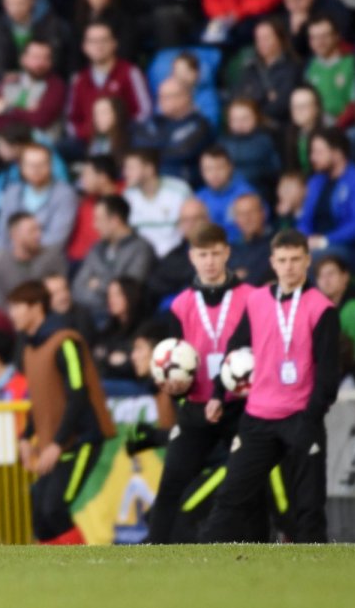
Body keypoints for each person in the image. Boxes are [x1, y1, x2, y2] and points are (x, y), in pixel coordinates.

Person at [201, 229, 340, 543]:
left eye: (295, 259)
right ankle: (205, 554)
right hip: (258, 417)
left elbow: (328, 374)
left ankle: (316, 568)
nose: (289, 267)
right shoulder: (257, 301)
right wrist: (218, 395)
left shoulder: (321, 308)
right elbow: (234, 350)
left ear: (307, 260)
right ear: (272, 263)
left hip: (300, 417)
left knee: (308, 503)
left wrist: (312, 417)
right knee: (232, 492)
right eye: (282, 260)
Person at [146, 224, 254, 543]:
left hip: (240, 407)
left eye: (216, 253)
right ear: (192, 257)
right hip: (196, 407)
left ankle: (272, 546)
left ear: (227, 253)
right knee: (170, 484)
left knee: (254, 483)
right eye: (203, 254)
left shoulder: (251, 298)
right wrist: (174, 387)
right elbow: (177, 358)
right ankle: (154, 552)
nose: (209, 261)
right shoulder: (181, 305)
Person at [6, 281, 116, 544]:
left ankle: (82, 567)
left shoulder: (65, 342)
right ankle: (55, 572)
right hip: (56, 443)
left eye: (18, 307)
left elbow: (78, 394)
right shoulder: (31, 348)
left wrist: (56, 444)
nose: (13, 314)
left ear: (36, 308)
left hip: (81, 441)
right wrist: (26, 436)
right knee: (40, 513)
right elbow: (41, 399)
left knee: (55, 508)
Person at [300, 128, 355, 274]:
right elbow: (304, 220)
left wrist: (325, 241)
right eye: (312, 152)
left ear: (337, 153)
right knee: (283, 257)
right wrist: (303, 240)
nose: (312, 158)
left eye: (319, 152)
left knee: (311, 261)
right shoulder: (315, 182)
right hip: (321, 247)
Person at [71, 194, 157, 323]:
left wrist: (97, 284)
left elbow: (127, 292)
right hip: (89, 318)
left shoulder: (141, 249)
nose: (95, 226)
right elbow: (77, 289)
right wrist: (108, 289)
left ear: (115, 221)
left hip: (124, 323)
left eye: (98, 220)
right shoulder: (96, 248)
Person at [0, 144, 78, 252]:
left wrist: (24, 251)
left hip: (46, 257)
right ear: (21, 167)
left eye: (42, 164)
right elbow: (1, 233)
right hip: (11, 256)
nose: (36, 170)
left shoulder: (65, 194)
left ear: (51, 165)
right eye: (31, 165)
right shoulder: (12, 192)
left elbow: (57, 238)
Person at [69, 23, 152, 134]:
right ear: (84, 47)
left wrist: (122, 131)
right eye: (93, 41)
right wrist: (86, 134)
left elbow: (144, 112)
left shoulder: (130, 72)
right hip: (87, 141)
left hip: (124, 138)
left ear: (114, 44)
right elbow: (72, 119)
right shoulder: (79, 79)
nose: (98, 46)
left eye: (104, 40)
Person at [134, 78, 214, 187]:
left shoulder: (200, 125)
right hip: (150, 188)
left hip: (186, 188)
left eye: (168, 96)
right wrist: (167, 145)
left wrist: (154, 151)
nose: (161, 101)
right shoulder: (154, 122)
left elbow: (184, 151)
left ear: (186, 96)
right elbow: (139, 146)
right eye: (160, 96)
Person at [0, 0, 74, 82]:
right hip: (13, 81)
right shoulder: (0, 25)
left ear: (32, 1)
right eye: (10, 3)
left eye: (20, 3)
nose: (15, 8)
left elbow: (54, 61)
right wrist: (4, 75)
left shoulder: (51, 23)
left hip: (45, 80)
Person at [0, 40, 68, 135]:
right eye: (36, 57)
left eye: (46, 58)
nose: (41, 63)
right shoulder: (11, 80)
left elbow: (40, 119)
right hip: (3, 138)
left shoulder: (56, 86)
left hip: (39, 142)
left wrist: (7, 109)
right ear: (23, 59)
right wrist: (26, 111)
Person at [0, 212, 68, 310]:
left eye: (39, 229)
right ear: (14, 235)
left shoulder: (53, 257)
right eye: (32, 231)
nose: (38, 235)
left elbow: (63, 294)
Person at [122, 148, 193, 257]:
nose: (125, 173)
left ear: (149, 169)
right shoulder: (128, 195)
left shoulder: (179, 190)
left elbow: (194, 228)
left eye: (131, 168)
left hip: (178, 258)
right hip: (142, 260)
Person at [302, 17, 355, 125]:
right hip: (314, 126)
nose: (319, 42)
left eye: (324, 36)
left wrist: (336, 126)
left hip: (343, 127)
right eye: (314, 37)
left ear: (336, 36)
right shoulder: (309, 66)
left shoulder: (352, 63)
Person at [196, 146, 258, 242]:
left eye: (219, 168)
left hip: (242, 249)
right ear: (201, 171)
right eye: (208, 169)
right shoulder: (198, 199)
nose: (214, 174)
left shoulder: (246, 194)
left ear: (230, 167)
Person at [230, 192, 273, 285]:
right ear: (235, 220)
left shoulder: (277, 244)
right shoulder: (230, 250)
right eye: (241, 214)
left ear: (263, 213)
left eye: (251, 212)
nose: (247, 218)